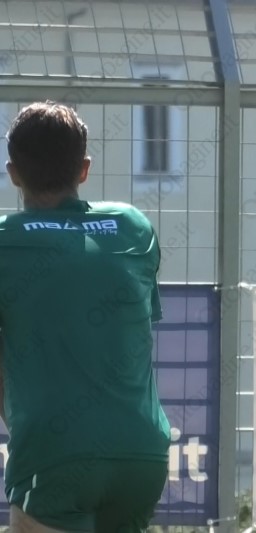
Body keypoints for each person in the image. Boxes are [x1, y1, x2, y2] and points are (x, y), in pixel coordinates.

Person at [0, 101, 170, 532]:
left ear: (13, 172)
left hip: (54, 453)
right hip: (142, 453)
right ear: (84, 169)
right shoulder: (133, 227)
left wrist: (26, 425)